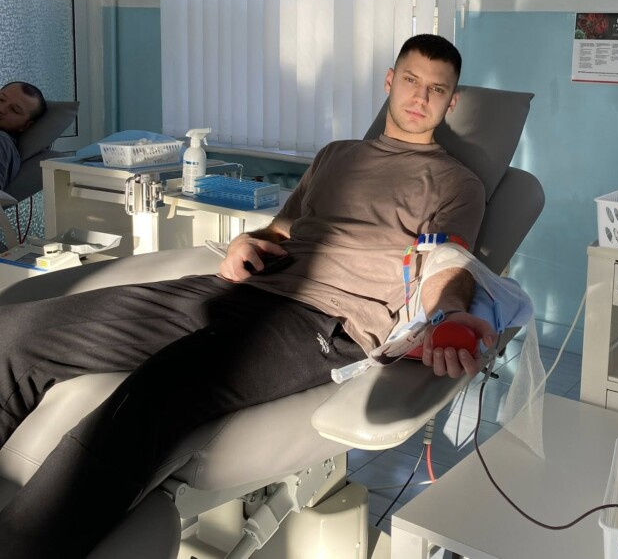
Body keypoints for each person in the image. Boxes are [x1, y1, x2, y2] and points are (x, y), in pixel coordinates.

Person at [0, 35, 495, 557]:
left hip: (324, 321)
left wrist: (449, 314)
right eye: (412, 80)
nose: (420, 97)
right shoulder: (337, 155)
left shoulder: (456, 183)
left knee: (154, 394)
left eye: (437, 89)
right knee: (18, 331)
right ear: (390, 81)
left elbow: (447, 262)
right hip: (242, 289)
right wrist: (246, 242)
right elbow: (281, 229)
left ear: (451, 101)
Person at [0, 81, 46, 190]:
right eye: (1, 99)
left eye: (15, 110)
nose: (1, 109)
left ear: (25, 126)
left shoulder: (2, 142)